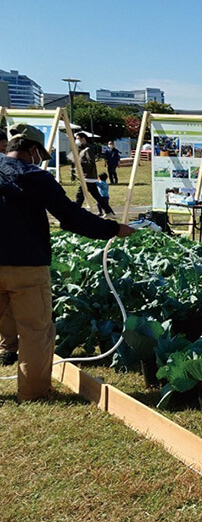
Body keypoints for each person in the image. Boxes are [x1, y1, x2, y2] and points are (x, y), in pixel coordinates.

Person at [0, 124, 134, 401]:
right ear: (34, 150)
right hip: (28, 265)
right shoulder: (36, 177)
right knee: (35, 331)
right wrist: (113, 229)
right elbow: (71, 218)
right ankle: (33, 393)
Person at [74, 133, 113, 216]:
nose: (76, 140)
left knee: (80, 195)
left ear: (83, 139)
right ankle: (108, 211)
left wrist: (79, 163)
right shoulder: (81, 149)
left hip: (88, 176)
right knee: (95, 195)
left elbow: (90, 162)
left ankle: (74, 213)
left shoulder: (88, 149)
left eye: (78, 138)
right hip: (87, 176)